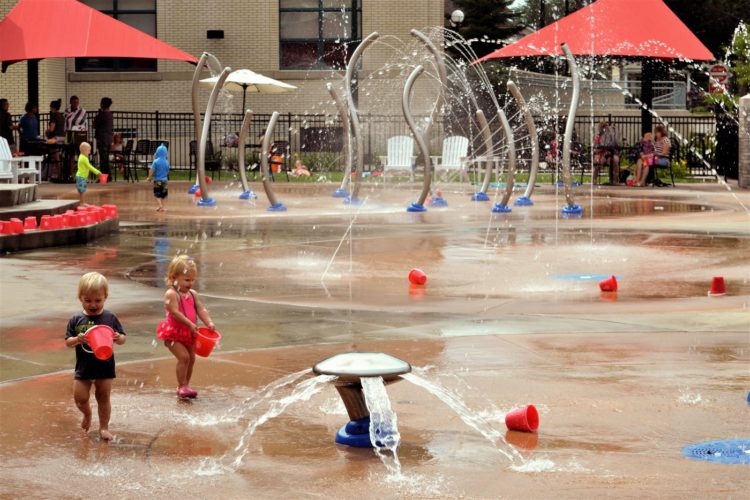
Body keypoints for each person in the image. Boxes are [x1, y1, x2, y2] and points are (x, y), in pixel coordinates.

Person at [64, 272, 126, 441]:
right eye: (88, 300)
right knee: (80, 398)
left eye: (98, 300)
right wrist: (78, 339)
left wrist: (117, 337)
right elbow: (68, 342)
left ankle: (104, 428)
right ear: (80, 298)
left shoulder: (110, 317)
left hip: (104, 366)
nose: (93, 304)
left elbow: (122, 338)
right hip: (84, 368)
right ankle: (87, 413)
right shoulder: (76, 319)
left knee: (103, 397)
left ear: (105, 297)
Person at [156, 255, 216, 399]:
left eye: (192, 280)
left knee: (191, 358)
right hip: (173, 333)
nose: (190, 283)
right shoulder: (172, 294)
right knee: (183, 357)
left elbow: (201, 310)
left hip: (189, 333)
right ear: (173, 277)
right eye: (187, 280)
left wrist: (209, 322)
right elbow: (174, 313)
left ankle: (186, 385)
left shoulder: (193, 294)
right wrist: (190, 323)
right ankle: (181, 385)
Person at [146, 143, 170, 211]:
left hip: (158, 181)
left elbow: (151, 170)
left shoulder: (155, 161)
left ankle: (160, 206)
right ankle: (162, 206)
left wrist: (149, 177)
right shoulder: (166, 162)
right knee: (163, 194)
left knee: (157, 194)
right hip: (165, 181)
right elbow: (168, 171)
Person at [93, 97, 113, 176]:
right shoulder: (110, 114)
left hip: (102, 138)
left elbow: (94, 124)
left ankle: (104, 176)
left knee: (103, 159)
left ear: (102, 104)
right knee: (105, 158)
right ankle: (108, 175)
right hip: (108, 138)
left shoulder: (102, 115)